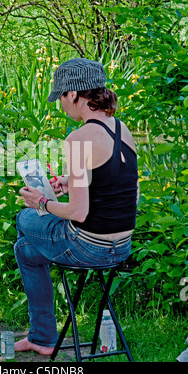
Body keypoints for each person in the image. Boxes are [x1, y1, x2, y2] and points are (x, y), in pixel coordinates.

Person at [14, 58, 139, 356]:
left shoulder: (78, 139)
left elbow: (78, 213)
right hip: (122, 246)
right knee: (25, 251)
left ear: (74, 95)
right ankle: (40, 338)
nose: (60, 105)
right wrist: (72, 181)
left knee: (24, 218)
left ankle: (43, 337)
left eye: (60, 97)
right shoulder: (121, 130)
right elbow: (122, 188)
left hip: (88, 247)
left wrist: (41, 201)